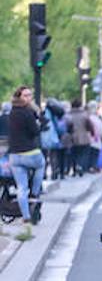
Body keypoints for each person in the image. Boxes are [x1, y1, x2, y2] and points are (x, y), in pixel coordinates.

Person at [6, 86, 45, 232]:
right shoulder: (28, 113)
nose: (29, 98)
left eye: (30, 95)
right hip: (30, 152)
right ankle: (35, 192)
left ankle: (26, 217)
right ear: (20, 97)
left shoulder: (11, 113)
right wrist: (38, 116)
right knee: (41, 165)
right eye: (26, 95)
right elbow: (35, 132)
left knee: (21, 187)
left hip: (14, 155)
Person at [65, 99, 95, 176]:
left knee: (74, 153)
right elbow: (90, 125)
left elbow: (67, 127)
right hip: (84, 137)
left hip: (72, 138)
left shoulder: (68, 115)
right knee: (84, 153)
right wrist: (92, 133)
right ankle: (80, 166)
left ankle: (74, 168)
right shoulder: (84, 115)